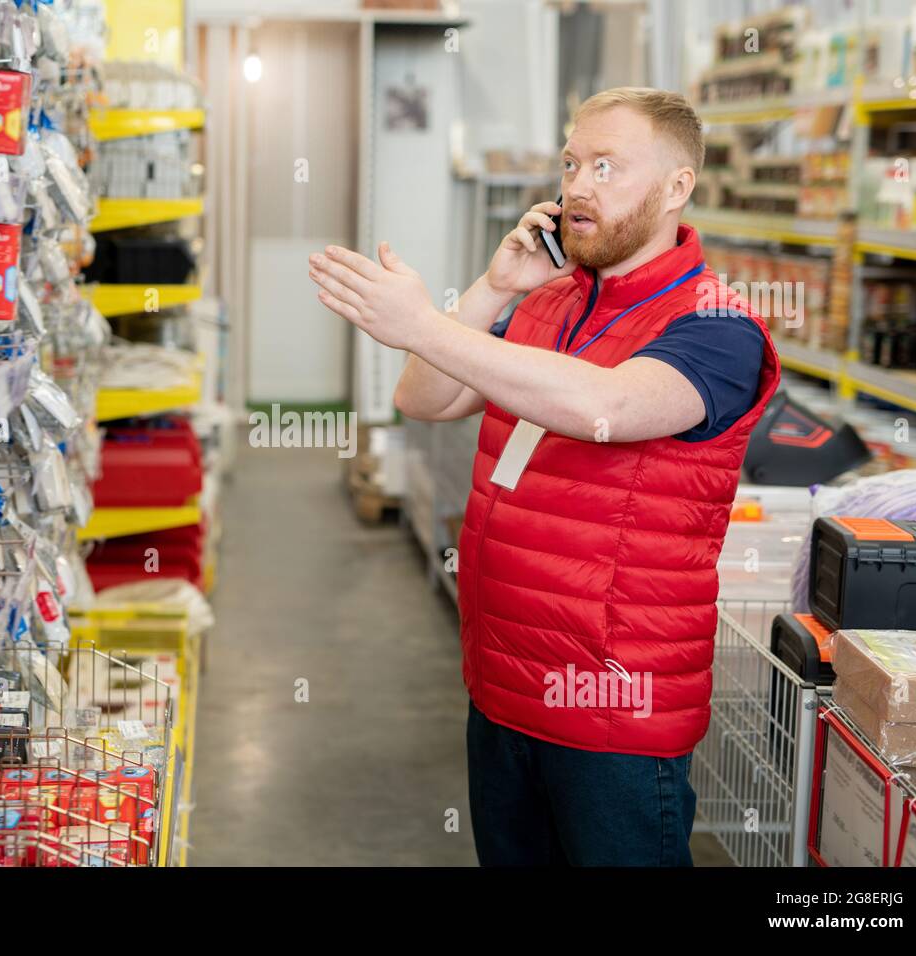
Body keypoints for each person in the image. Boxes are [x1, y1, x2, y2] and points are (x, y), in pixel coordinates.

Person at [308, 87, 781, 866]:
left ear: (676, 187)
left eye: (606, 166)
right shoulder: (547, 301)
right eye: (570, 162)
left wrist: (424, 322)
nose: (578, 186)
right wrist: (494, 287)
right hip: (503, 689)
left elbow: (608, 403)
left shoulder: (718, 326)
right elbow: (422, 398)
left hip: (612, 715)